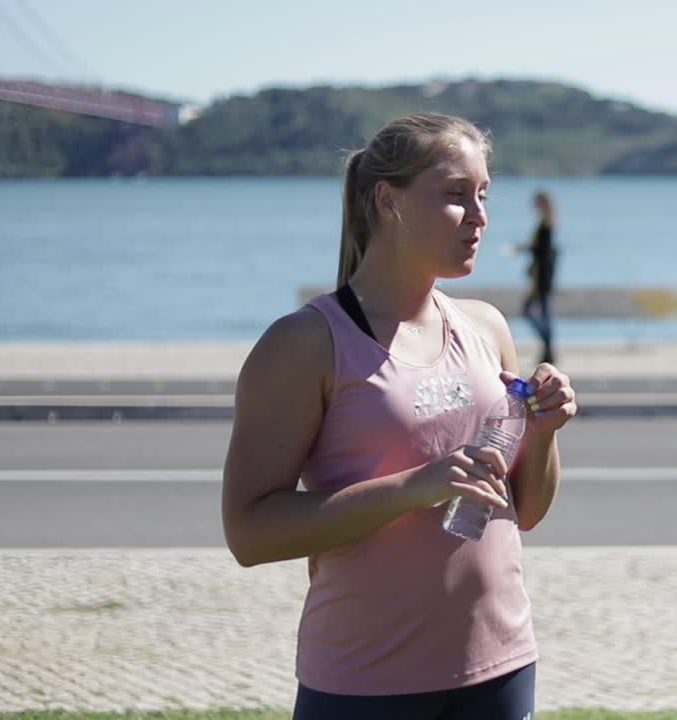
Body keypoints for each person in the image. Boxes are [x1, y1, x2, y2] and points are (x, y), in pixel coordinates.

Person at [221, 112, 577, 719]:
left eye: (484, 195)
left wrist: (541, 435)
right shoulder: (305, 344)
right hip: (364, 683)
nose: (479, 216)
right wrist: (413, 488)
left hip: (502, 666)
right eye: (456, 195)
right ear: (388, 200)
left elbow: (526, 511)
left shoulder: (487, 327)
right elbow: (250, 534)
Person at [520, 190, 558, 365]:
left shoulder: (546, 225)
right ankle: (547, 349)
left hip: (542, 278)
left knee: (534, 312)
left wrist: (527, 250)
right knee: (542, 314)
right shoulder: (546, 224)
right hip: (542, 277)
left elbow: (543, 253)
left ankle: (547, 348)